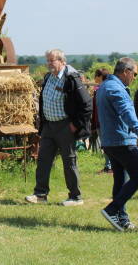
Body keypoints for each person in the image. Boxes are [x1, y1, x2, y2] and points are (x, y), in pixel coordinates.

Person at [25, 49, 92, 206]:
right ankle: (40, 194)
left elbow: (87, 104)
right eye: (47, 60)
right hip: (49, 126)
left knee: (69, 162)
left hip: (65, 126)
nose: (49, 64)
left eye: (52, 60)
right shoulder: (48, 77)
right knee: (43, 160)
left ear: (62, 62)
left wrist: (75, 125)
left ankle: (75, 197)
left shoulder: (71, 79)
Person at [97, 57, 138, 231]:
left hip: (110, 141)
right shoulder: (115, 88)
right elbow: (126, 111)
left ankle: (122, 219)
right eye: (134, 74)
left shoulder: (105, 86)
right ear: (126, 71)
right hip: (121, 140)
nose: (134, 77)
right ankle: (111, 210)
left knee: (120, 180)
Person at [91, 68, 112, 174]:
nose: (94, 78)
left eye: (95, 75)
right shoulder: (98, 90)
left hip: (105, 122)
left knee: (108, 145)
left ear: (100, 77)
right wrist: (93, 124)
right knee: (105, 145)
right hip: (99, 122)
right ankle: (108, 166)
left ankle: (110, 166)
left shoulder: (106, 89)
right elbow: (95, 109)